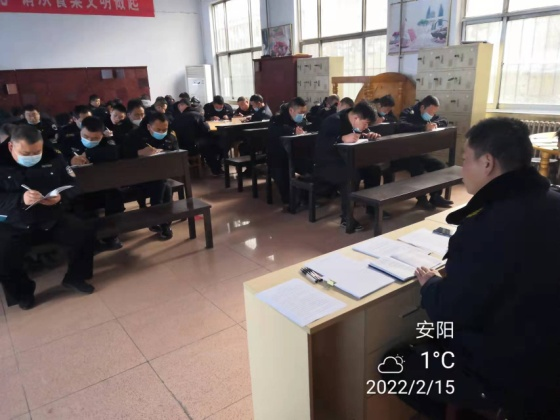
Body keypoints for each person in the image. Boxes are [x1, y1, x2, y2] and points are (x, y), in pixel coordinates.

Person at [384, 117, 560, 420]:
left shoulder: (485, 225)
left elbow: (452, 312)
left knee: (394, 364)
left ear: (487, 163)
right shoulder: (553, 201)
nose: (462, 168)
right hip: (548, 351)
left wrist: (431, 286)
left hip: (507, 371)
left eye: (465, 159)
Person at [0, 125, 96, 309]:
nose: (32, 157)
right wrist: (19, 199)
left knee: (83, 231)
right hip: (14, 222)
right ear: (11, 146)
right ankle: (23, 292)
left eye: (37, 152)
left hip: (50, 216)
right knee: (3, 255)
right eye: (26, 153)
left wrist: (61, 197)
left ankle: (75, 277)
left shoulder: (52, 155)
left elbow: (74, 184)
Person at [314, 101, 383, 230]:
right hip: (328, 163)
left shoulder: (354, 119)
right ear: (356, 118)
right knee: (351, 175)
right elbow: (321, 147)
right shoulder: (333, 121)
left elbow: (359, 132)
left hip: (348, 161)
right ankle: (346, 218)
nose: (366, 126)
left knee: (374, 170)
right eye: (366, 123)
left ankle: (372, 208)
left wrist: (368, 134)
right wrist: (341, 139)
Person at [60, 116, 124, 251]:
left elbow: (114, 153)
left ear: (102, 135)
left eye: (95, 138)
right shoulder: (69, 141)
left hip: (101, 185)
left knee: (115, 195)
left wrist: (89, 155)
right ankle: (88, 238)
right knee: (77, 205)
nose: (89, 140)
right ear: (80, 131)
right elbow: (59, 157)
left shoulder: (107, 142)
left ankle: (111, 235)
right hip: (78, 188)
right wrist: (71, 160)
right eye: (86, 136)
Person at [122, 112, 178, 240]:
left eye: (164, 129)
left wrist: (165, 151)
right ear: (149, 127)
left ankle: (161, 222)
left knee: (163, 186)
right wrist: (139, 152)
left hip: (160, 174)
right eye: (158, 129)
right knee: (163, 187)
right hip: (137, 176)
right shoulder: (135, 135)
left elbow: (175, 150)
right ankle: (162, 223)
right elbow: (123, 153)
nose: (162, 132)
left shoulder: (170, 134)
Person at [391, 95, 453, 209]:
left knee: (439, 166)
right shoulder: (408, 112)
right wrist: (423, 128)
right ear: (422, 107)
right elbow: (401, 126)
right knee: (417, 168)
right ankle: (421, 199)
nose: (431, 115)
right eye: (430, 112)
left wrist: (436, 124)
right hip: (403, 153)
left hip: (419, 152)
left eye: (434, 113)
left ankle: (435, 196)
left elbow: (444, 120)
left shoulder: (429, 114)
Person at [268, 97, 308, 208]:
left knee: (310, 165)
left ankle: (307, 195)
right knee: (281, 172)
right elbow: (275, 132)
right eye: (300, 112)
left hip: (296, 154)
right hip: (278, 155)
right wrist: (292, 131)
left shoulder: (301, 120)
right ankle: (290, 199)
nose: (303, 115)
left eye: (304, 112)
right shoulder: (277, 119)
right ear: (291, 110)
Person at [171, 103, 222, 175]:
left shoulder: (177, 117)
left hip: (179, 146)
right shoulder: (198, 116)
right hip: (194, 146)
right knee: (213, 145)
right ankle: (216, 169)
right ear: (201, 112)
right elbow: (206, 129)